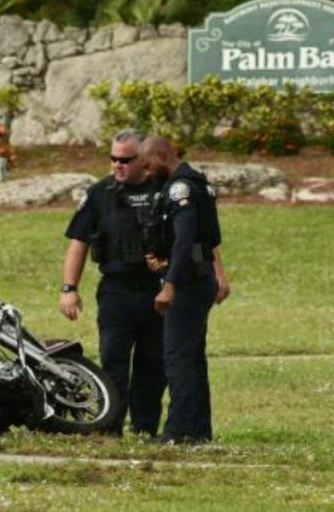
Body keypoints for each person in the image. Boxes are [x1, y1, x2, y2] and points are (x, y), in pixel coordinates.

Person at [59, 128, 166, 437]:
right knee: (113, 364)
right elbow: (78, 242)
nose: (117, 165)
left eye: (125, 160)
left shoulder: (162, 189)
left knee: (153, 365)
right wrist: (69, 288)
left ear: (143, 159)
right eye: (113, 159)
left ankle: (146, 429)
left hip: (155, 291)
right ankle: (110, 429)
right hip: (116, 291)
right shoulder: (99, 193)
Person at [139, 135, 224, 444]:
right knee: (192, 358)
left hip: (188, 284)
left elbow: (185, 239)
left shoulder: (180, 188)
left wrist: (170, 284)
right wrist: (164, 265)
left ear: (161, 156)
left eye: (148, 166)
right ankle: (199, 431)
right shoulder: (194, 182)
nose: (147, 174)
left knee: (177, 358)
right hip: (195, 278)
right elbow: (203, 242)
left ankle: (178, 431)